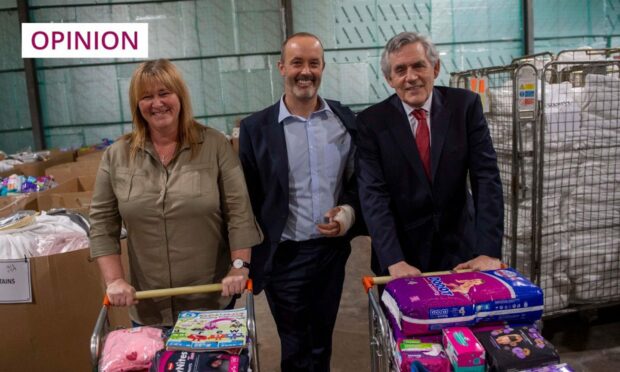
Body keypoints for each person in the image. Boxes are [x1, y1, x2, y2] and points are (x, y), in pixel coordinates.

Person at [89, 59, 263, 326]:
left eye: (164, 93)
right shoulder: (117, 155)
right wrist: (115, 280)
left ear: (180, 95)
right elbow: (102, 224)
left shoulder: (215, 145)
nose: (157, 103)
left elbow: (239, 212)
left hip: (211, 304)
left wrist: (239, 268)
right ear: (137, 105)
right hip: (148, 306)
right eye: (146, 97)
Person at [239, 32, 363, 371]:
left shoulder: (344, 121)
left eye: (313, 63)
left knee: (322, 342)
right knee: (295, 345)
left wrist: (348, 213)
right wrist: (242, 259)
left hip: (330, 254)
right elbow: (245, 199)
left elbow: (360, 182)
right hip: (284, 256)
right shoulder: (256, 129)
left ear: (323, 67)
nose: (304, 71)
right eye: (297, 62)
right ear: (281, 67)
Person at [356, 32, 504, 279]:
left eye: (418, 66)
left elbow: (486, 178)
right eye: (400, 70)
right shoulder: (372, 123)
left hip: (462, 251)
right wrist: (394, 259)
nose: (411, 77)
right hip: (402, 256)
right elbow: (373, 195)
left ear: (435, 68)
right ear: (389, 79)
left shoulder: (465, 107)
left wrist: (488, 251)